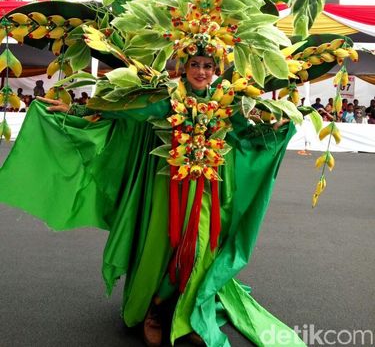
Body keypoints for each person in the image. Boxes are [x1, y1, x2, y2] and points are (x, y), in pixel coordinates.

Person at [0, 53, 304, 347]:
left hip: (208, 188)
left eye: (208, 66)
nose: (201, 71)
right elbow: (120, 112)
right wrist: (74, 111)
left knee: (201, 246)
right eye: (195, 65)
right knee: (164, 247)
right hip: (165, 188)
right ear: (183, 67)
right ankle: (155, 309)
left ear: (216, 68)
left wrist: (275, 129)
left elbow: (243, 138)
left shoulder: (227, 102)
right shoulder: (165, 98)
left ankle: (190, 313)